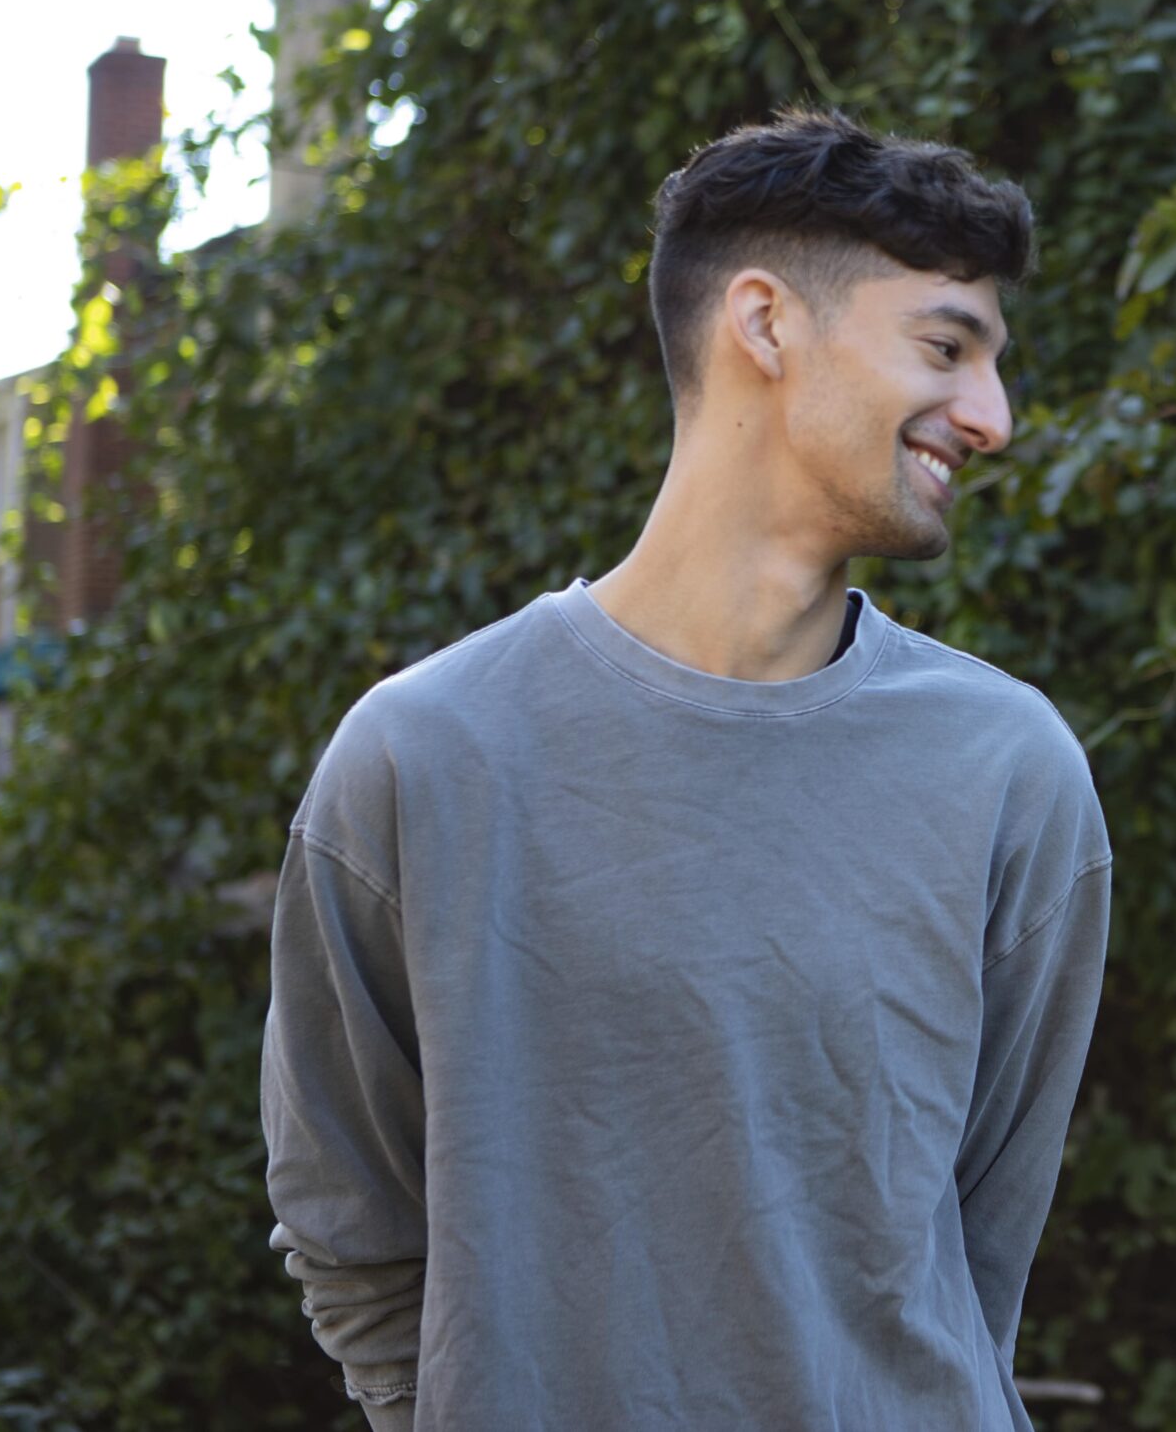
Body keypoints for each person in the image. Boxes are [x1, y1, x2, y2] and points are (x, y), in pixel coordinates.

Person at [262, 111, 1113, 1431]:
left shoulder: (1010, 771)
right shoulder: (423, 757)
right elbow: (348, 1209)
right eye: (948, 345)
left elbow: (980, 1247)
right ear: (766, 325)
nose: (993, 416)